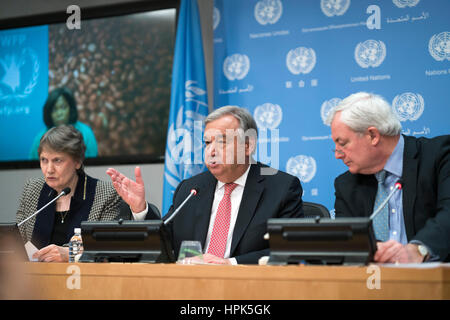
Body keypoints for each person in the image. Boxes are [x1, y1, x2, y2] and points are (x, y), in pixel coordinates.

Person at [107, 106, 304, 264]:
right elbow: (163, 242)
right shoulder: (190, 189)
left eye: (222, 141)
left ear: (248, 145)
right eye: (207, 142)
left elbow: (288, 250)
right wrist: (140, 208)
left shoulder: (282, 188)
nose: (211, 151)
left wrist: (230, 264)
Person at [326, 91, 450, 263]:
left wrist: (418, 250)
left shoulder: (440, 156)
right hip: (373, 285)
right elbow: (347, 244)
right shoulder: (346, 184)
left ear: (373, 136)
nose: (337, 155)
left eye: (342, 143)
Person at [17, 125, 122, 262]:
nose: (49, 169)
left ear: (77, 161)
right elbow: (17, 242)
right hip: (35, 280)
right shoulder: (32, 190)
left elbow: (107, 247)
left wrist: (71, 254)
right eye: (44, 160)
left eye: (57, 160)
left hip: (82, 280)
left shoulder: (105, 194)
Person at [29, 87, 98, 159]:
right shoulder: (41, 138)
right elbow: (32, 167)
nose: (59, 113)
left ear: (70, 109)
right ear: (49, 113)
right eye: (54, 110)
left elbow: (92, 166)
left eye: (63, 107)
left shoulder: (86, 133)